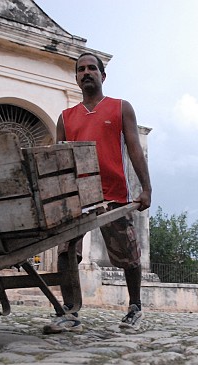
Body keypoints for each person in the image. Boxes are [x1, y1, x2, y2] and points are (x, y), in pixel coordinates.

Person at [45, 52, 152, 334]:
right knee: (67, 251)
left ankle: (135, 306)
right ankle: (70, 311)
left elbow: (134, 150)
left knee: (128, 254)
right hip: (76, 195)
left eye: (92, 68)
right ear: (76, 77)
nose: (87, 72)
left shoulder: (120, 108)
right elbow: (59, 162)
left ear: (103, 76)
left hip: (113, 193)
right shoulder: (66, 118)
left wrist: (146, 188)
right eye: (81, 69)